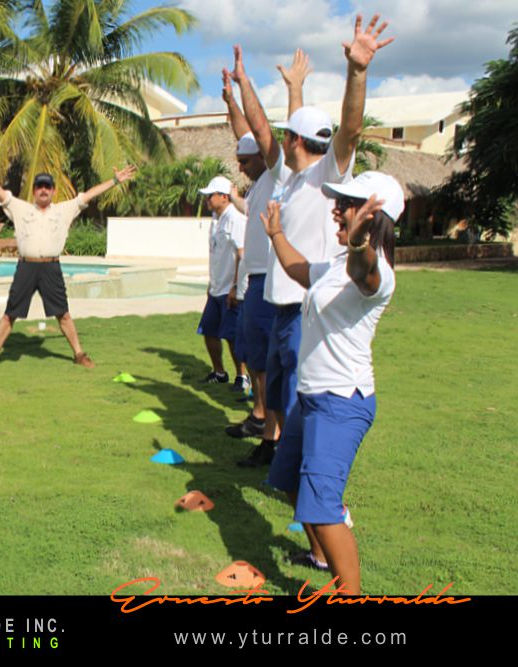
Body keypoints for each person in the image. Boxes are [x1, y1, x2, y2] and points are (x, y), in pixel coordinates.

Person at [228, 14, 392, 469]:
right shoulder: (289, 178)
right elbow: (262, 130)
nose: (275, 141)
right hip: (279, 302)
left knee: (302, 393)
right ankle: (275, 449)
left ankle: (306, 471)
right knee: (279, 387)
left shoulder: (327, 175)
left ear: (293, 140)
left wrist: (357, 71)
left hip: (308, 305)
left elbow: (350, 130)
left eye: (285, 136)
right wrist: (246, 83)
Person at [263, 170, 403, 594]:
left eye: (347, 204)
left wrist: (360, 243)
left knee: (322, 505)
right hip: (311, 399)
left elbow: (367, 271)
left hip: (342, 402)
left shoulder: (376, 275)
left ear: (373, 218)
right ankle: (321, 555)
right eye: (338, 202)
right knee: (287, 480)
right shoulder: (336, 266)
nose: (336, 211)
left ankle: (349, 595)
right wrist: (275, 234)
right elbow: (298, 269)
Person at [0, 151, 137, 370]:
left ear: (53, 191)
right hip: (26, 267)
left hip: (51, 268)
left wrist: (114, 181)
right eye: (39, 187)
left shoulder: (63, 210)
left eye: (47, 187)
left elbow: (89, 195)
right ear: (34, 191)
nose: (43, 190)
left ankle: (79, 354)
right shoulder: (20, 207)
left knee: (63, 314)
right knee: (10, 314)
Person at [221, 51, 309, 448]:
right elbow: (245, 134)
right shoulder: (261, 182)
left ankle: (270, 430)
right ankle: (264, 423)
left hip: (272, 283)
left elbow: (258, 132)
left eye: (244, 161)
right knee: (259, 361)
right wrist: (230, 103)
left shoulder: (280, 175)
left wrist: (244, 84)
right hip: (259, 282)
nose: (239, 167)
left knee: (271, 367)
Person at [195, 175, 245, 386]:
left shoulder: (236, 218)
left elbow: (242, 254)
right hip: (216, 288)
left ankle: (242, 376)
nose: (207, 199)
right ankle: (219, 372)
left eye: (210, 195)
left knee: (232, 336)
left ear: (224, 197)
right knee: (209, 331)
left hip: (229, 289)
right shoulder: (216, 221)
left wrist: (235, 286)